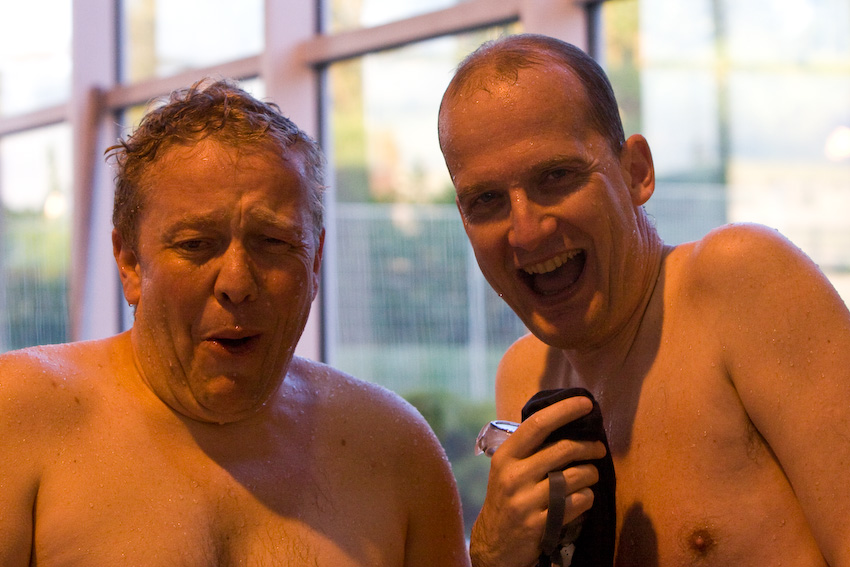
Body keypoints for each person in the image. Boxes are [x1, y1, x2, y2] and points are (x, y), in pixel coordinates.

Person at [0, 79, 470, 566]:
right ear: (131, 264)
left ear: (314, 263)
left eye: (274, 243)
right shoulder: (19, 417)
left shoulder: (393, 449)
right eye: (195, 245)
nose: (237, 283)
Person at [438, 33, 850, 567]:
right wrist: (493, 555)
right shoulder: (524, 379)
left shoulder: (739, 283)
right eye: (487, 200)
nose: (527, 231)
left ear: (636, 172)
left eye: (556, 176)